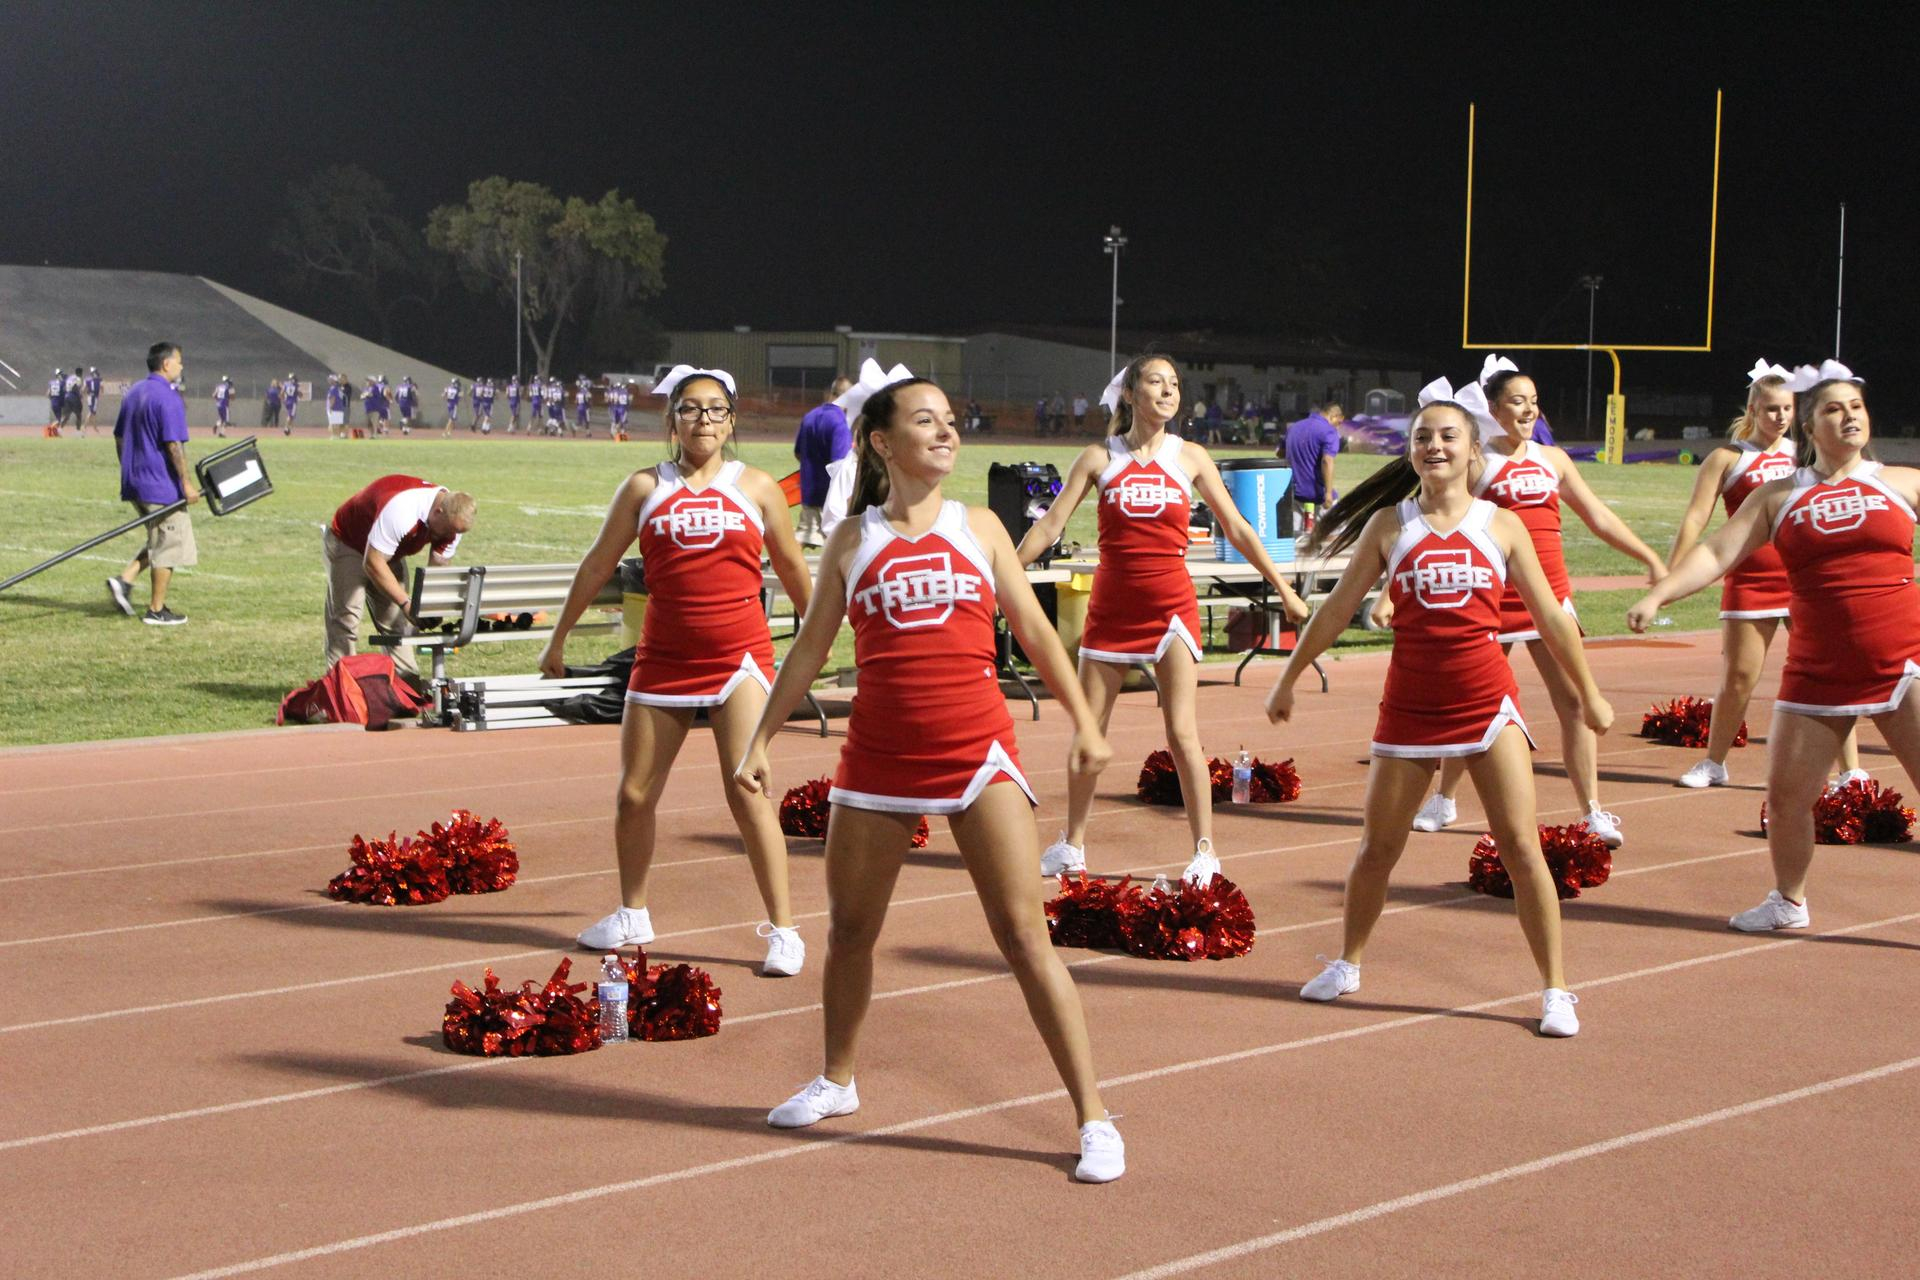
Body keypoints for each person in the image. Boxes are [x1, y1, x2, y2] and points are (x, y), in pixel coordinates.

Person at [735, 364, 1126, 1183]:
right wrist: (760, 739)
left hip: (976, 751)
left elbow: (1036, 631)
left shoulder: (979, 525)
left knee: (1024, 936)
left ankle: (1094, 1118)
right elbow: (810, 649)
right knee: (848, 933)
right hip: (876, 759)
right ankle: (838, 1080)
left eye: (951, 419)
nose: (947, 431)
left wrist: (1086, 724)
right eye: (926, 420)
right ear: (882, 442)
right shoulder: (853, 539)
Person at [1269, 381, 1610, 1037]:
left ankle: (1555, 991)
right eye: (1423, 436)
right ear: (1412, 451)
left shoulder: (1501, 526)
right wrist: (1289, 675)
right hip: (1410, 710)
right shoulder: (1389, 526)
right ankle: (1348, 963)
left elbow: (1551, 618)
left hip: (1487, 703)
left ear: (1473, 450)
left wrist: (1589, 691)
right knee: (1377, 850)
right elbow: (1339, 609)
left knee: (1520, 848)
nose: (1434, 445)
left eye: (1449, 435)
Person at [1628, 362, 1920, 933]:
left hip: (1903, 665)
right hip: (1816, 672)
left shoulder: (1903, 481)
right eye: (1834, 409)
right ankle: (1789, 901)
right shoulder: (1777, 496)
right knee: (1787, 800)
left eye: (1856, 407)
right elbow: (1716, 553)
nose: (1849, 416)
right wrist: (1659, 594)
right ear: (1811, 427)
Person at [541, 365, 813, 976]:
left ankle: (785, 931)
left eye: (716, 410)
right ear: (672, 420)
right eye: (691, 410)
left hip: (739, 656)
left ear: (732, 420)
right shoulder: (644, 487)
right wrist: (557, 638)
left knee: (747, 790)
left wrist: (818, 636)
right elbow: (596, 565)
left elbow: (794, 570)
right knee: (634, 794)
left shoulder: (761, 487)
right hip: (662, 658)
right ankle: (632, 913)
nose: (704, 421)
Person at [1015, 354, 1311, 882]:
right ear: (1130, 394)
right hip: (1111, 608)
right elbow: (1050, 527)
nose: (1169, 391)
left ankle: (1204, 851)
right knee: (1090, 732)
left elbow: (1239, 529)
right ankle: (1073, 845)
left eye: (1174, 384)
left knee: (1182, 732)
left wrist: (1284, 589)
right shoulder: (1097, 457)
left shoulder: (1191, 457)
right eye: (1156, 382)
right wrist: (1005, 573)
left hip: (1171, 607)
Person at [1406, 355, 1666, 848]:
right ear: (1493, 409)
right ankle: (1444, 798)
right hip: (1493, 600)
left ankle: (1592, 809)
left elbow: (1598, 517)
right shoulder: (1478, 462)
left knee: (1571, 702)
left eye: (1533, 402)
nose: (1528, 411)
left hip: (1551, 599)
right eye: (1517, 402)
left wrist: (1648, 556)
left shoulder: (1555, 460)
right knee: (1474, 703)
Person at [1665, 360, 1864, 790]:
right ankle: (1714, 763)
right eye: (1772, 409)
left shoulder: (1805, 456)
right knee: (1739, 677)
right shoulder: (1727, 458)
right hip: (1750, 581)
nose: (1781, 418)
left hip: (1802, 579)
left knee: (1830, 672)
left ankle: (1851, 770)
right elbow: (1696, 517)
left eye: (1788, 409)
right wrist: (1672, 576)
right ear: (1753, 409)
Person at [323, 474, 476, 680]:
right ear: (438, 512)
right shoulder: (403, 509)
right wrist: (406, 603)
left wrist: (429, 607)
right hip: (350, 541)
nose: (451, 536)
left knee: (396, 622)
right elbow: (373, 562)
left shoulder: (451, 523)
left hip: (389, 550)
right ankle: (340, 687)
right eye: (448, 530)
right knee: (346, 618)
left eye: (457, 532)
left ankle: (406, 685)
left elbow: (438, 566)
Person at [107, 342, 200, 626]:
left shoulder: (133, 392)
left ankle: (125, 580)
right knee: (170, 542)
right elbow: (173, 445)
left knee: (159, 537)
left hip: (135, 481)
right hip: (160, 484)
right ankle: (156, 610)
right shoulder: (168, 398)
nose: (181, 367)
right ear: (166, 364)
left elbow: (119, 437)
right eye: (179, 362)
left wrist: (129, 470)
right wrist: (185, 483)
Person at [793, 376, 854, 548]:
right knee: (842, 543)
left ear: (831, 393)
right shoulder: (840, 422)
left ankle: (784, 570)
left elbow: (798, 452)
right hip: (831, 496)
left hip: (809, 490)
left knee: (804, 536)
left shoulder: (809, 416)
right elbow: (840, 463)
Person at [1283, 400, 1344, 520]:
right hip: (1317, 493)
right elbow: (1327, 461)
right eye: (1339, 422)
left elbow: (1280, 453)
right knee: (1338, 534)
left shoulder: (1293, 427)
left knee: (1297, 535)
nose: (1339, 426)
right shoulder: (1329, 431)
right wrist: (1328, 493)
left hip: (1294, 492)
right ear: (1333, 416)